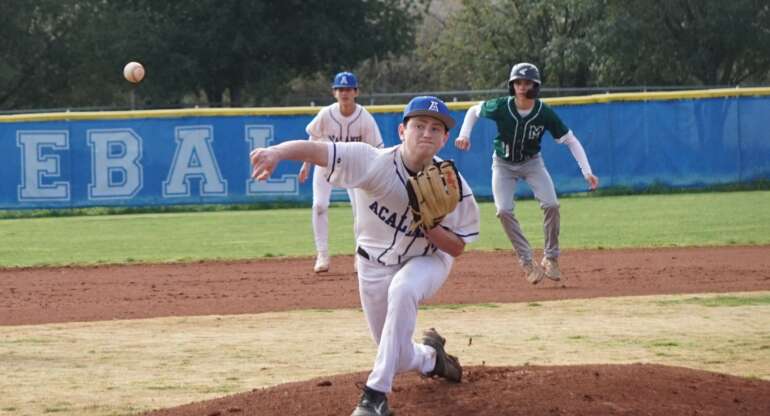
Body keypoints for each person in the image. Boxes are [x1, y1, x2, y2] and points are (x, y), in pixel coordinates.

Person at [251, 96, 480, 416]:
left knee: (404, 288)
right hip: (372, 265)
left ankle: (375, 397)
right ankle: (431, 358)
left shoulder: (452, 183)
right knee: (397, 355)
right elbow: (317, 150)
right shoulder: (371, 161)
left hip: (427, 260)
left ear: (444, 138)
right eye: (419, 125)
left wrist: (428, 225)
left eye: (435, 128)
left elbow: (457, 247)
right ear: (402, 130)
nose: (426, 133)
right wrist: (276, 152)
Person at [455, 62, 599, 285]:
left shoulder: (544, 113)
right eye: (518, 82)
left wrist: (587, 171)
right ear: (512, 85)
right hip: (503, 164)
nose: (522, 87)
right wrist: (465, 134)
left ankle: (551, 258)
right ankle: (526, 260)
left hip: (532, 163)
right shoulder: (503, 106)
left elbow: (570, 139)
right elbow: (474, 110)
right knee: (503, 210)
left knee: (551, 205)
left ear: (536, 85)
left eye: (527, 82)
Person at [299, 71, 384, 273]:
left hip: (354, 168)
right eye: (340, 89)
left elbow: (377, 149)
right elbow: (313, 138)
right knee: (319, 205)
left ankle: (360, 255)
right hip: (325, 164)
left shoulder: (364, 117)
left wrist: (378, 173)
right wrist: (306, 164)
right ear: (334, 92)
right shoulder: (326, 114)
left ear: (356, 92)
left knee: (361, 211)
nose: (344, 93)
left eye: (348, 89)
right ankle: (322, 255)